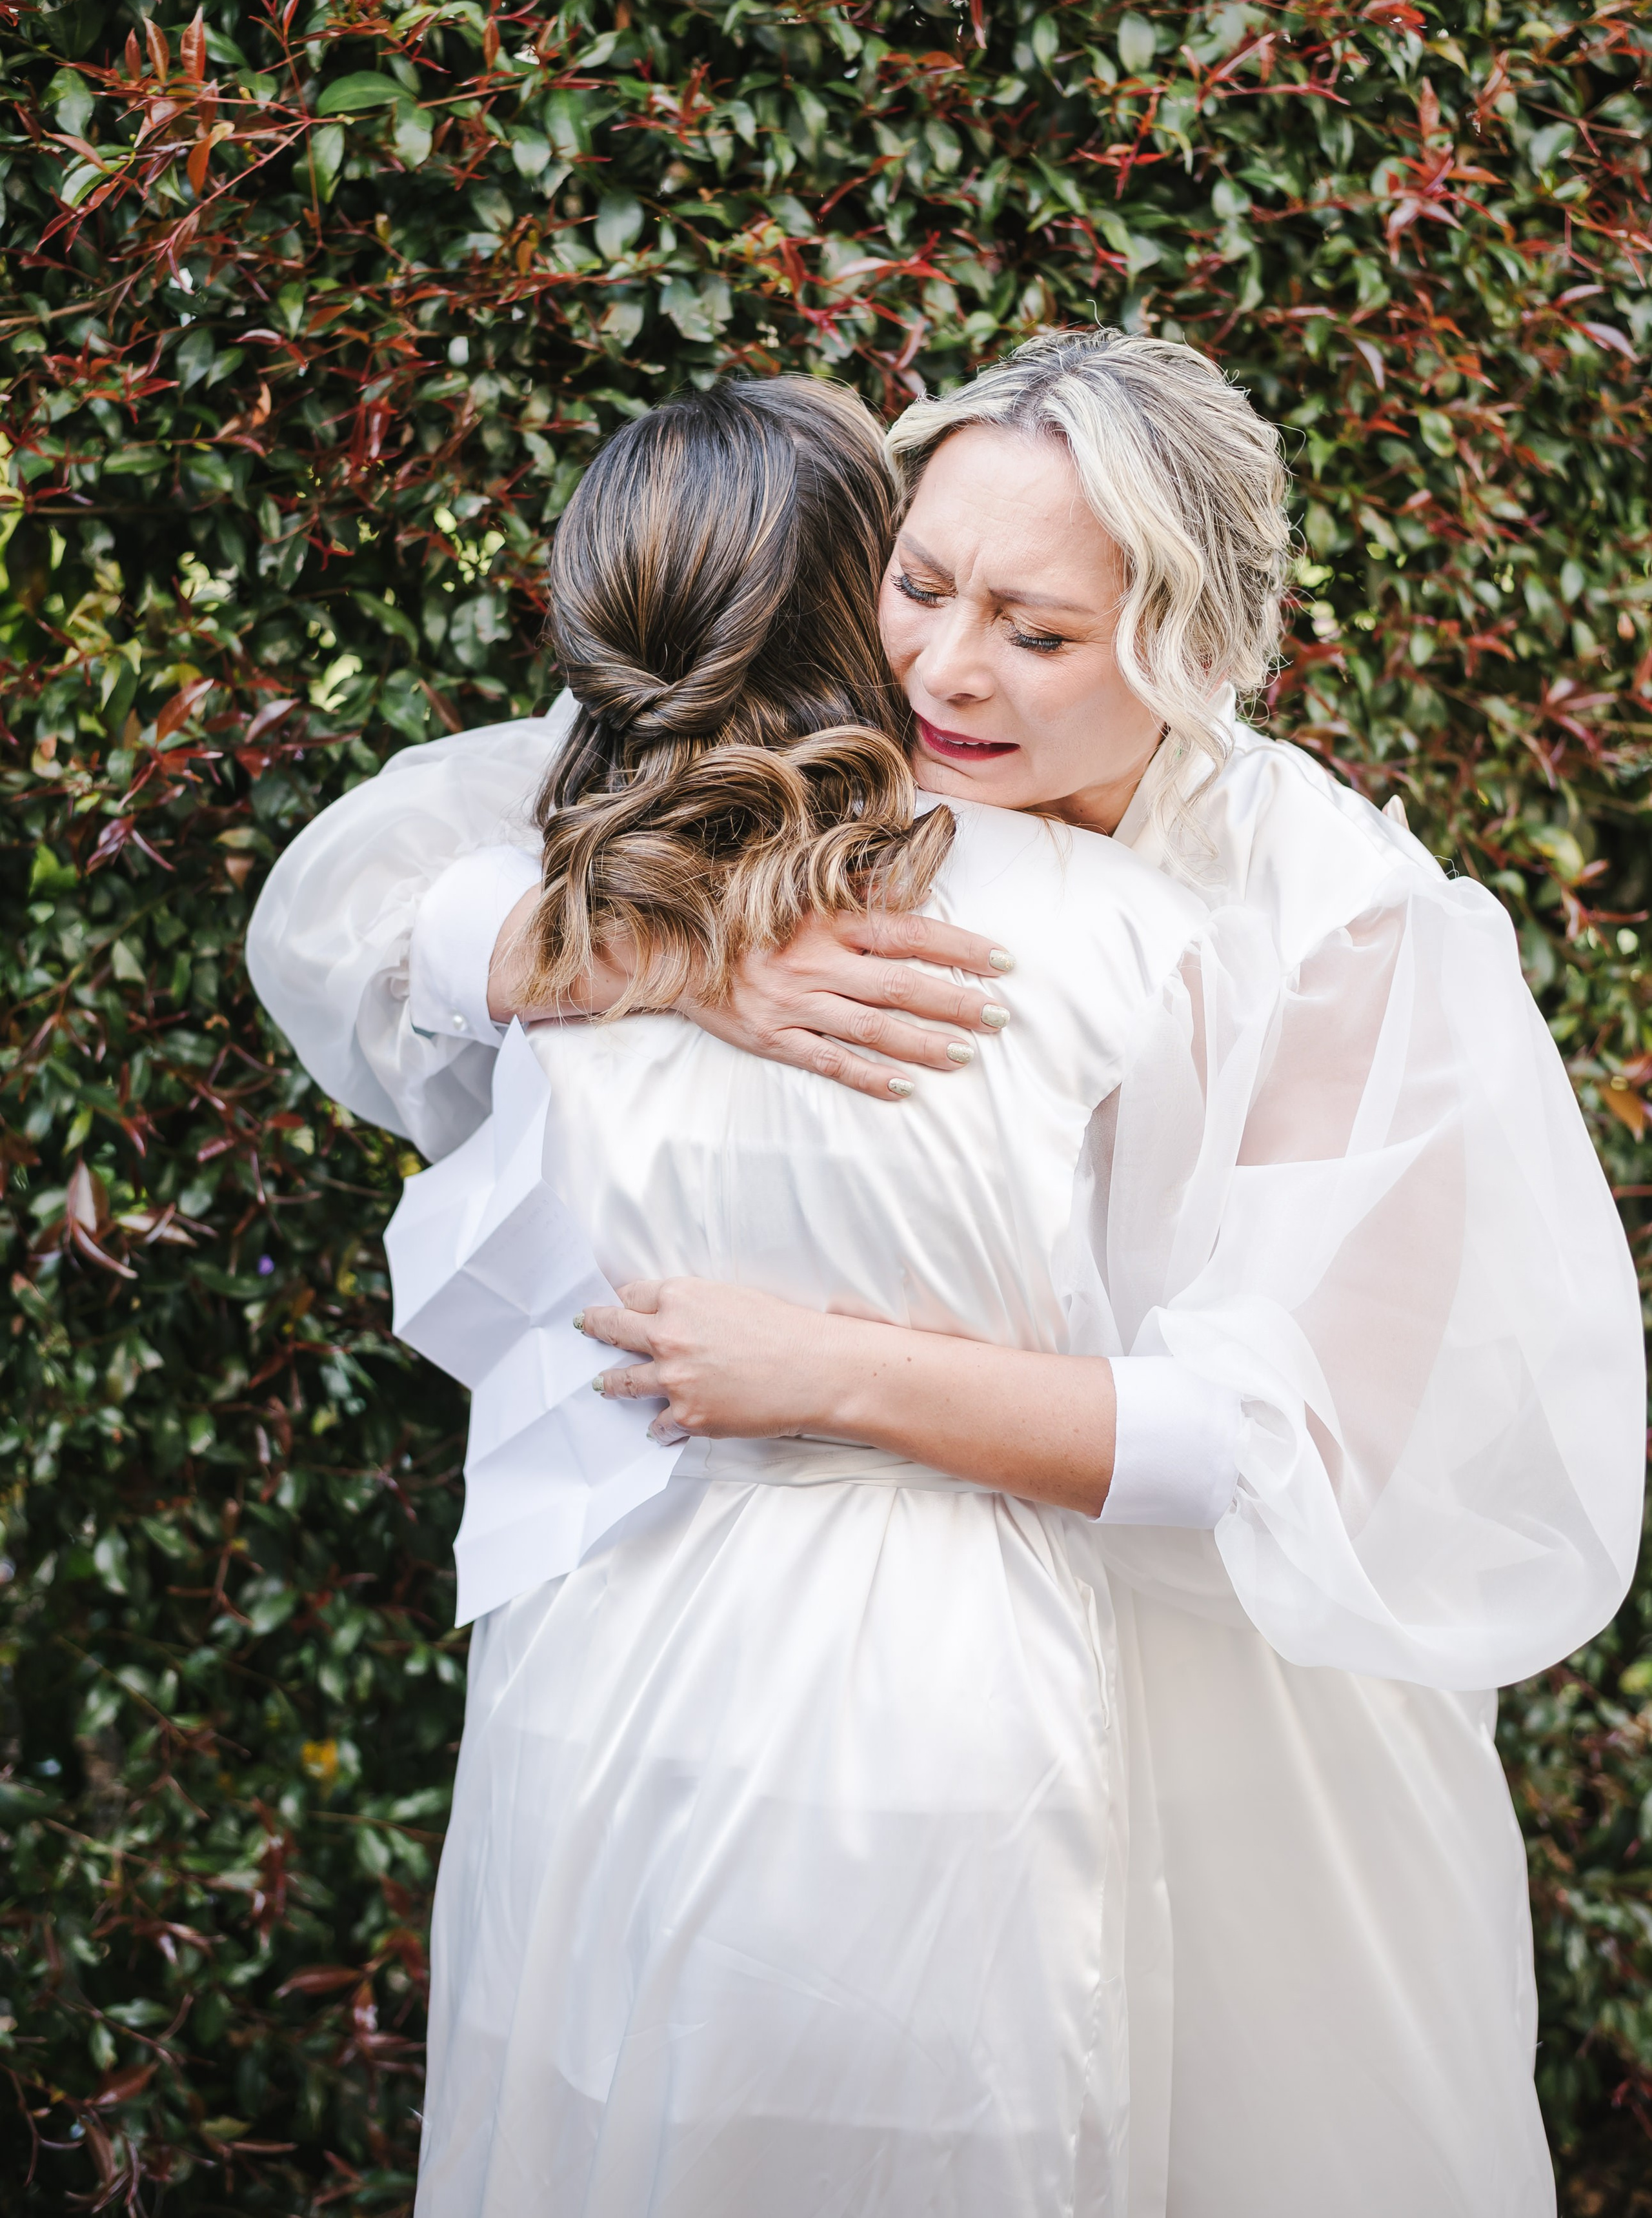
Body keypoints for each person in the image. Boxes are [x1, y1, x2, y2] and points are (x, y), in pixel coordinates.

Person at [247, 332, 1646, 2218]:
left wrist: (833, 1367)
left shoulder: (1335, 922)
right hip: (839, 1674)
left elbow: (1291, 1441)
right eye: (919, 583)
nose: (943, 668)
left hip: (1216, 1715)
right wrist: (658, 950)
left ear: (1200, 648)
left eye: (1039, 632)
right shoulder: (812, 756)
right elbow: (347, 904)